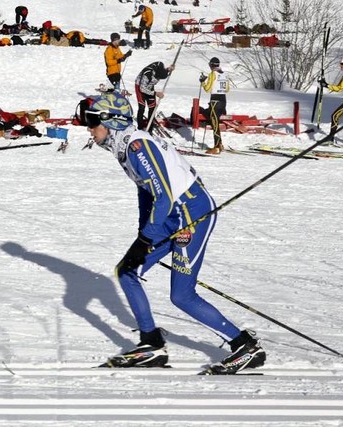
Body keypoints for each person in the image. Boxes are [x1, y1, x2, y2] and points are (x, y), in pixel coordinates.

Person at [84, 92, 266, 375]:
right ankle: (151, 344)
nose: (89, 127)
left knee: (182, 295)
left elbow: (164, 196)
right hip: (169, 216)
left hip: (190, 215)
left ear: (113, 123)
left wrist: (146, 238)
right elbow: (146, 192)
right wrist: (144, 232)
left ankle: (244, 347)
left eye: (93, 121)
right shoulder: (125, 149)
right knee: (127, 270)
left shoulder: (137, 146)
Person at [198, 57, 228, 154]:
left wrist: (202, 82)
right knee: (216, 124)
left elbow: (207, 89)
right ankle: (220, 144)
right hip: (223, 101)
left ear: (211, 65)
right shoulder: (223, 74)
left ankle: (216, 147)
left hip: (215, 101)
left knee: (215, 124)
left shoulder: (212, 74)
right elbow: (227, 89)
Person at [134, 61, 174, 130]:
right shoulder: (147, 74)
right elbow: (142, 89)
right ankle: (140, 128)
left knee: (152, 108)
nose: (158, 79)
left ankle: (150, 128)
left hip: (150, 86)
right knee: (142, 107)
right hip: (140, 87)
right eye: (158, 77)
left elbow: (164, 72)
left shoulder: (160, 69)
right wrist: (156, 93)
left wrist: (169, 69)